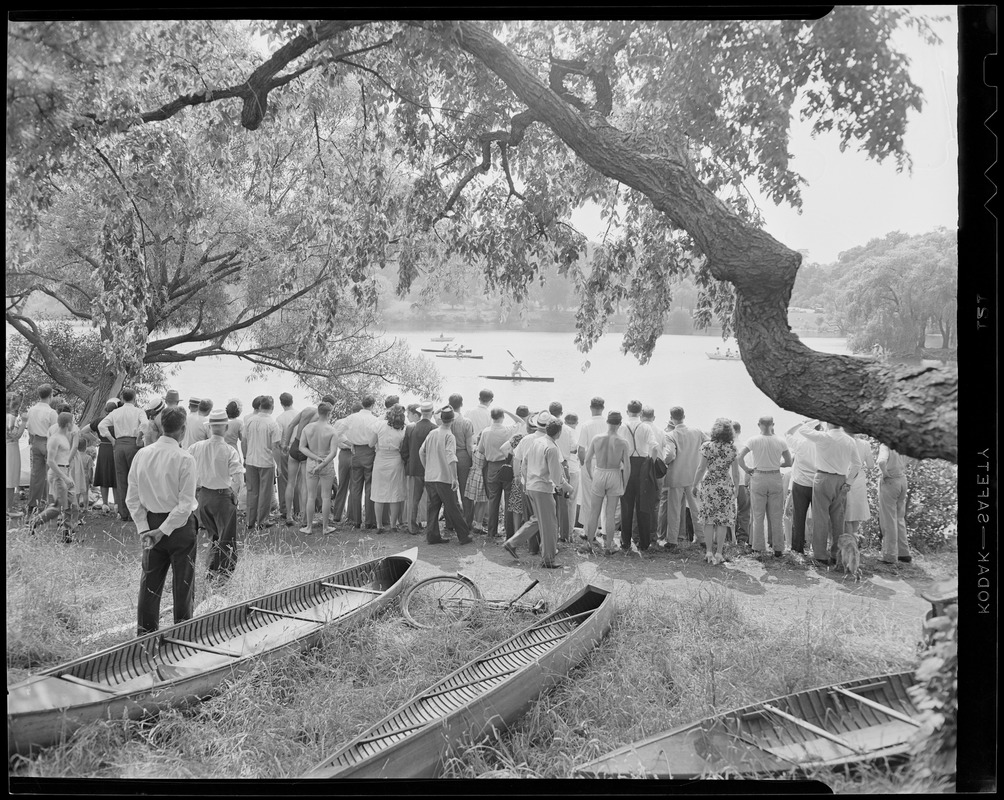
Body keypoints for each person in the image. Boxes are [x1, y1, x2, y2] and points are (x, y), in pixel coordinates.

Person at [127, 406, 199, 635]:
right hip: (178, 527)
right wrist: (163, 529)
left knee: (150, 583)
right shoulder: (185, 458)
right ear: (184, 429)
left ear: (160, 427)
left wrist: (144, 529)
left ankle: (145, 637)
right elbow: (185, 504)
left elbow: (132, 498)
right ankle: (182, 634)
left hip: (150, 523)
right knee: (183, 583)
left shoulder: (142, 454)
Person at [502, 417, 574, 568]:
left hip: (531, 486)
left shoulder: (536, 442)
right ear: (559, 433)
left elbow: (524, 463)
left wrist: (526, 482)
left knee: (537, 520)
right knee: (549, 524)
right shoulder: (552, 448)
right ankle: (548, 559)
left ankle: (512, 543)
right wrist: (567, 486)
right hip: (543, 488)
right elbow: (556, 476)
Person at [798, 419, 863, 566]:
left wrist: (816, 419)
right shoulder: (849, 440)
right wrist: (849, 483)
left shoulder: (824, 437)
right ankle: (836, 554)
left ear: (828, 423)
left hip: (822, 478)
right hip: (841, 480)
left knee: (820, 517)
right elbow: (857, 464)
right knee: (838, 519)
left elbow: (802, 430)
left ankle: (820, 555)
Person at [189, 409, 243, 577]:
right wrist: (234, 495)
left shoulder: (195, 447)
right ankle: (222, 573)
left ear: (210, 428)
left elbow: (186, 470)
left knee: (213, 536)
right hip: (222, 496)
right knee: (226, 538)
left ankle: (211, 569)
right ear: (226, 428)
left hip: (203, 496)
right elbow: (238, 477)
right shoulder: (229, 450)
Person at [736, 416, 792, 558]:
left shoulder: (753, 440)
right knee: (776, 515)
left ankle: (758, 547)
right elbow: (789, 462)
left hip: (759, 476)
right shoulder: (780, 441)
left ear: (759, 425)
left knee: (758, 515)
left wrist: (747, 469)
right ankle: (778, 548)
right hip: (774, 477)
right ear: (773, 424)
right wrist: (776, 464)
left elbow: (739, 458)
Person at [419, 406, 473, 545]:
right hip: (444, 478)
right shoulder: (449, 436)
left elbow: (421, 452)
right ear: (452, 420)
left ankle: (432, 536)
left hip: (430, 477)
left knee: (433, 507)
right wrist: (454, 478)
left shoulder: (432, 433)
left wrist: (427, 467)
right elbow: (451, 456)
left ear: (441, 419)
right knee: (453, 507)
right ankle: (464, 535)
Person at [581, 411, 631, 554]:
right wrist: (625, 483)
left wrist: (592, 476)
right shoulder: (623, 442)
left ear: (607, 422)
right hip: (614, 474)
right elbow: (627, 466)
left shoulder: (597, 438)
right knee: (610, 513)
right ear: (619, 424)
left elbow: (587, 460)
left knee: (594, 511)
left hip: (599, 472)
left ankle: (589, 544)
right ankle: (608, 546)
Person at [617, 400, 662, 552]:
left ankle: (625, 542)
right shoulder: (645, 427)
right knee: (644, 505)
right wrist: (651, 463)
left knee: (626, 504)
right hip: (643, 464)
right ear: (641, 412)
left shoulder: (622, 426)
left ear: (627, 411)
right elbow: (655, 447)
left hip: (627, 464)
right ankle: (644, 543)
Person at [695, 418, 740, 564]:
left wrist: (695, 484)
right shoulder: (732, 449)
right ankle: (719, 553)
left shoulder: (707, 446)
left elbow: (701, 468)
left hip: (709, 484)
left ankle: (709, 552)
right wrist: (737, 488)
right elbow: (736, 472)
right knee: (722, 520)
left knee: (708, 519)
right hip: (725, 485)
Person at [661, 407, 706, 550]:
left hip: (676, 476)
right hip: (694, 476)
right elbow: (709, 443)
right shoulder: (697, 432)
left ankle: (673, 540)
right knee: (696, 509)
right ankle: (702, 537)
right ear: (684, 416)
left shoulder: (670, 435)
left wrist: (664, 463)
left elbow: (670, 456)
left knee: (674, 509)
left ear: (671, 418)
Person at [29, 411, 78, 542]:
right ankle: (34, 522)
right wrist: (64, 477)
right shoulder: (55, 439)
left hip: (65, 472)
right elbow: (50, 461)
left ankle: (67, 535)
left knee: (70, 504)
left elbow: (64, 456)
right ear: (68, 423)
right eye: (72, 421)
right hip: (58, 475)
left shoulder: (65, 437)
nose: (73, 424)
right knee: (58, 507)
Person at [99, 388, 146, 522]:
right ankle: (135, 512)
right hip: (133, 445)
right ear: (135, 398)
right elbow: (146, 424)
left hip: (119, 445)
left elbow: (102, 425)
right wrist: (139, 438)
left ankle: (123, 512)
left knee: (121, 478)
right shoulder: (138, 411)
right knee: (135, 479)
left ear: (122, 398)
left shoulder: (116, 412)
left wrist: (112, 440)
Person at [477, 407, 521, 537]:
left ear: (491, 417)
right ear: (502, 417)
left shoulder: (486, 432)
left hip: (492, 467)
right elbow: (521, 422)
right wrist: (508, 411)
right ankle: (509, 532)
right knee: (508, 500)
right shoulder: (508, 430)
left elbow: (480, 450)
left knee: (493, 500)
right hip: (507, 466)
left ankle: (491, 532)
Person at [298, 402, 339, 535]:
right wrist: (322, 462)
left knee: (311, 496)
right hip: (326, 464)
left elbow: (302, 447)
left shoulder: (308, 428)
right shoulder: (331, 430)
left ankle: (309, 527)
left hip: (311, 463)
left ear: (318, 412)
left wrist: (315, 458)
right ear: (329, 414)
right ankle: (325, 527)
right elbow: (333, 453)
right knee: (326, 497)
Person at [243, 395, 282, 531]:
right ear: (272, 407)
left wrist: (245, 457)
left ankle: (250, 521)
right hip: (265, 461)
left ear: (260, 406)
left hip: (251, 460)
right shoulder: (272, 424)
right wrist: (279, 465)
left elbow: (244, 441)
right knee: (265, 492)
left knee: (252, 491)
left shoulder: (249, 421)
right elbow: (275, 447)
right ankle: (262, 520)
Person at [368, 404, 407, 532]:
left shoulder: (379, 425)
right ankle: (393, 525)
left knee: (379, 492)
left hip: (380, 460)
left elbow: (371, 444)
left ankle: (379, 525)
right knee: (394, 493)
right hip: (396, 460)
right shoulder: (403, 428)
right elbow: (402, 447)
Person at [344, 396, 380, 529]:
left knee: (355, 487)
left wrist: (350, 443)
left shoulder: (351, 418)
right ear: (373, 405)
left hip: (356, 452)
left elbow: (337, 432)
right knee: (370, 486)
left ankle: (356, 520)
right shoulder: (375, 420)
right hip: (369, 451)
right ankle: (370, 521)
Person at [401, 401, 435, 534]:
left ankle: (412, 526)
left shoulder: (410, 428)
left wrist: (409, 461)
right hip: (430, 469)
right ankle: (430, 526)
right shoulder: (434, 429)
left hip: (414, 468)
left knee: (413, 500)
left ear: (421, 413)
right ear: (431, 413)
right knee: (431, 500)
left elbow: (404, 450)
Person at [577, 397, 608, 541]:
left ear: (591, 408)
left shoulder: (586, 425)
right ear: (603, 408)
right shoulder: (608, 424)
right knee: (605, 498)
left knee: (588, 498)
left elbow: (581, 449)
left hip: (590, 462)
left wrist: (584, 464)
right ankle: (604, 528)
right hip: (606, 464)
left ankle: (589, 530)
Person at [784, 420, 817, 555]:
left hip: (800, 484)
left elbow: (787, 433)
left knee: (798, 517)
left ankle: (797, 549)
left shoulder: (800, 443)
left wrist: (801, 423)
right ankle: (816, 548)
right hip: (816, 484)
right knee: (817, 518)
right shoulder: (822, 444)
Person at [876, 443, 912, 565]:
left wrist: (885, 473)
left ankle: (889, 555)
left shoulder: (886, 445)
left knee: (888, 519)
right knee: (899, 518)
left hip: (890, 481)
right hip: (902, 480)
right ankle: (904, 553)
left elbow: (881, 461)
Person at [25, 383, 57, 513]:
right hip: (48, 442)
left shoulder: (31, 410)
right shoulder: (51, 412)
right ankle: (51, 503)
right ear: (51, 395)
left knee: (36, 475)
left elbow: (29, 427)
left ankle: (32, 504)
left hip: (35, 441)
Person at [447, 394, 475, 527]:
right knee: (465, 490)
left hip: (449, 455)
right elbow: (470, 445)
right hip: (463, 455)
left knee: (449, 489)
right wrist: (473, 460)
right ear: (462, 404)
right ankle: (467, 522)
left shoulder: (445, 421)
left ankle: (450, 522)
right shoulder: (466, 422)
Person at [87, 399, 120, 514]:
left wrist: (96, 439)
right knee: (116, 476)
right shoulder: (120, 421)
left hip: (104, 449)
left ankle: (105, 503)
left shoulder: (100, 421)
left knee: (104, 476)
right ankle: (116, 503)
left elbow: (83, 431)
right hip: (116, 449)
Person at [844, 431, 876, 540]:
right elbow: (871, 465)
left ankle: (848, 543)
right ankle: (853, 541)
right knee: (856, 514)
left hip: (845, 477)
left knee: (847, 514)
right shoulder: (865, 444)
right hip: (859, 478)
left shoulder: (843, 441)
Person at [275, 392, 298, 524]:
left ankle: (285, 509)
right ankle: (298, 508)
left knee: (284, 480)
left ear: (281, 403)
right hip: (299, 448)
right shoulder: (299, 415)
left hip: (286, 450)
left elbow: (278, 439)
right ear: (292, 401)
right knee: (298, 480)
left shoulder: (280, 418)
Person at [730, 421, 752, 546]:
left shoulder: (727, 446)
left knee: (729, 510)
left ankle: (729, 537)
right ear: (740, 431)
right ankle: (742, 538)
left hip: (729, 482)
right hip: (743, 482)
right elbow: (750, 467)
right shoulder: (745, 446)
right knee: (744, 511)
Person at [6, 393, 27, 516]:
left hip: (10, 448)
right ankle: (9, 509)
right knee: (10, 478)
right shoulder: (10, 417)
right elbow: (14, 436)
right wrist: (24, 422)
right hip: (10, 449)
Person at [69, 437, 94, 519]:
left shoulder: (75, 456)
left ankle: (77, 507)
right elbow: (90, 469)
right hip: (85, 476)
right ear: (85, 447)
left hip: (76, 476)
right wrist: (91, 478)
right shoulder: (88, 457)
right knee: (85, 492)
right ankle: (86, 507)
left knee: (76, 492)